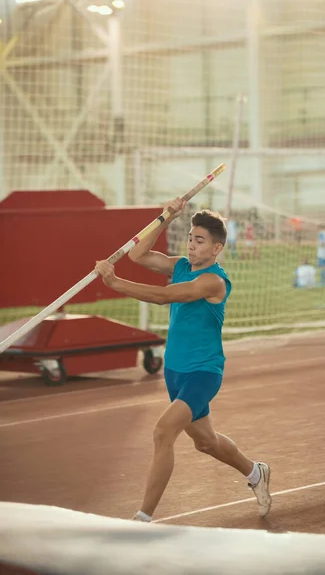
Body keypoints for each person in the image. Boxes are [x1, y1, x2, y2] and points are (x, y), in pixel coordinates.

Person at [94, 198, 271, 523]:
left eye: (199, 240)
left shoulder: (213, 281)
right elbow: (138, 255)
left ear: (216, 248)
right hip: (175, 372)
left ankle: (143, 518)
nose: (191, 244)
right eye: (190, 237)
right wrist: (166, 217)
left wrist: (116, 283)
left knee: (163, 432)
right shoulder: (180, 267)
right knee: (206, 442)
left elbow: (164, 296)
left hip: (203, 372)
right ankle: (255, 472)